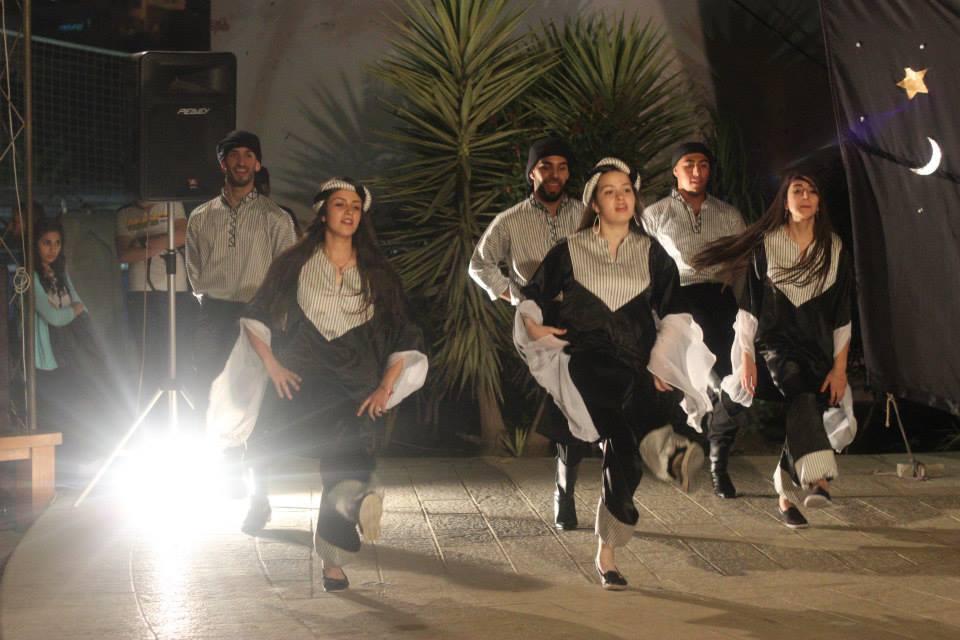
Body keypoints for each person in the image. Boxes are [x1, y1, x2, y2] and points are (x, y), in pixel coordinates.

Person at [208, 177, 427, 592]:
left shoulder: (378, 273)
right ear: (323, 211)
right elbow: (255, 316)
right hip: (304, 383)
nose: (349, 212)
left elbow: (405, 333)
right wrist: (274, 367)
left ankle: (336, 552)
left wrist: (386, 387)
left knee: (347, 467)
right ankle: (347, 508)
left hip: (357, 386)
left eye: (356, 207)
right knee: (318, 458)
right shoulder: (293, 263)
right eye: (340, 204)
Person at [515, 158, 714, 589]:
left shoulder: (653, 253)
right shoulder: (569, 250)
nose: (621, 197)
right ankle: (663, 449)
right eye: (610, 191)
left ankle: (608, 548)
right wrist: (533, 325)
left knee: (626, 454)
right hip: (586, 360)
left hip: (636, 363)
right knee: (625, 435)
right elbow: (533, 296)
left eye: (626, 189)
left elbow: (674, 313)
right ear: (594, 202)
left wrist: (663, 362)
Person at [693, 173, 855, 529]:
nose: (806, 196)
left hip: (819, 351)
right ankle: (819, 480)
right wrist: (747, 358)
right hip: (775, 348)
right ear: (785, 202)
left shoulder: (834, 249)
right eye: (798, 191)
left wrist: (840, 369)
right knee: (793, 387)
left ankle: (785, 497)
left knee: (808, 405)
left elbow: (843, 316)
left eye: (812, 191)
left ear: (819, 202)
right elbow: (748, 311)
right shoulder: (766, 246)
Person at [468, 137, 592, 531]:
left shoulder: (587, 214)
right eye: (545, 166)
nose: (554, 174)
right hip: (539, 319)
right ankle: (565, 492)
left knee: (582, 397)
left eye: (562, 167)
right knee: (565, 397)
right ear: (531, 173)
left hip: (586, 315)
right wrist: (517, 299)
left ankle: (575, 488)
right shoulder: (511, 220)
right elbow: (480, 264)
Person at [642, 142, 747, 498]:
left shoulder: (729, 214)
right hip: (680, 304)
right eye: (689, 164)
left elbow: (742, 266)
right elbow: (646, 269)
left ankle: (719, 462)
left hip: (721, 302)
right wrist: (654, 318)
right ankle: (698, 457)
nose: (697, 171)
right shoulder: (655, 214)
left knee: (733, 385)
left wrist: (741, 311)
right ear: (675, 170)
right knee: (699, 384)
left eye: (703, 164)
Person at [185, 130, 297, 415]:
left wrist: (277, 321)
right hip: (214, 314)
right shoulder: (200, 216)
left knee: (255, 393)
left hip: (258, 314)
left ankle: (255, 445)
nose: (241, 161)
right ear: (223, 163)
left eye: (249, 155)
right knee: (208, 387)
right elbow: (195, 271)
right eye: (234, 155)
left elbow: (287, 275)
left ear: (257, 164)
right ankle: (210, 442)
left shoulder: (276, 217)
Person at [31, 218, 100, 469]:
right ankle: (54, 467)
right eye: (46, 243)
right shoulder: (29, 275)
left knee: (73, 408)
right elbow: (53, 316)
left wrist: (73, 311)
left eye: (57, 243)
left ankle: (74, 461)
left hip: (68, 353)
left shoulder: (61, 272)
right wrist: (73, 311)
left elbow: (83, 307)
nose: (53, 249)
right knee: (52, 413)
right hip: (46, 357)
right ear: (35, 244)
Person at [115, 200, 198, 402]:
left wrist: (144, 244)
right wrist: (163, 242)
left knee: (178, 351)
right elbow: (124, 254)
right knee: (148, 352)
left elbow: (183, 235)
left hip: (175, 289)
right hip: (140, 292)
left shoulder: (171, 204)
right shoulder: (125, 213)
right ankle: (152, 403)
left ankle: (181, 403)